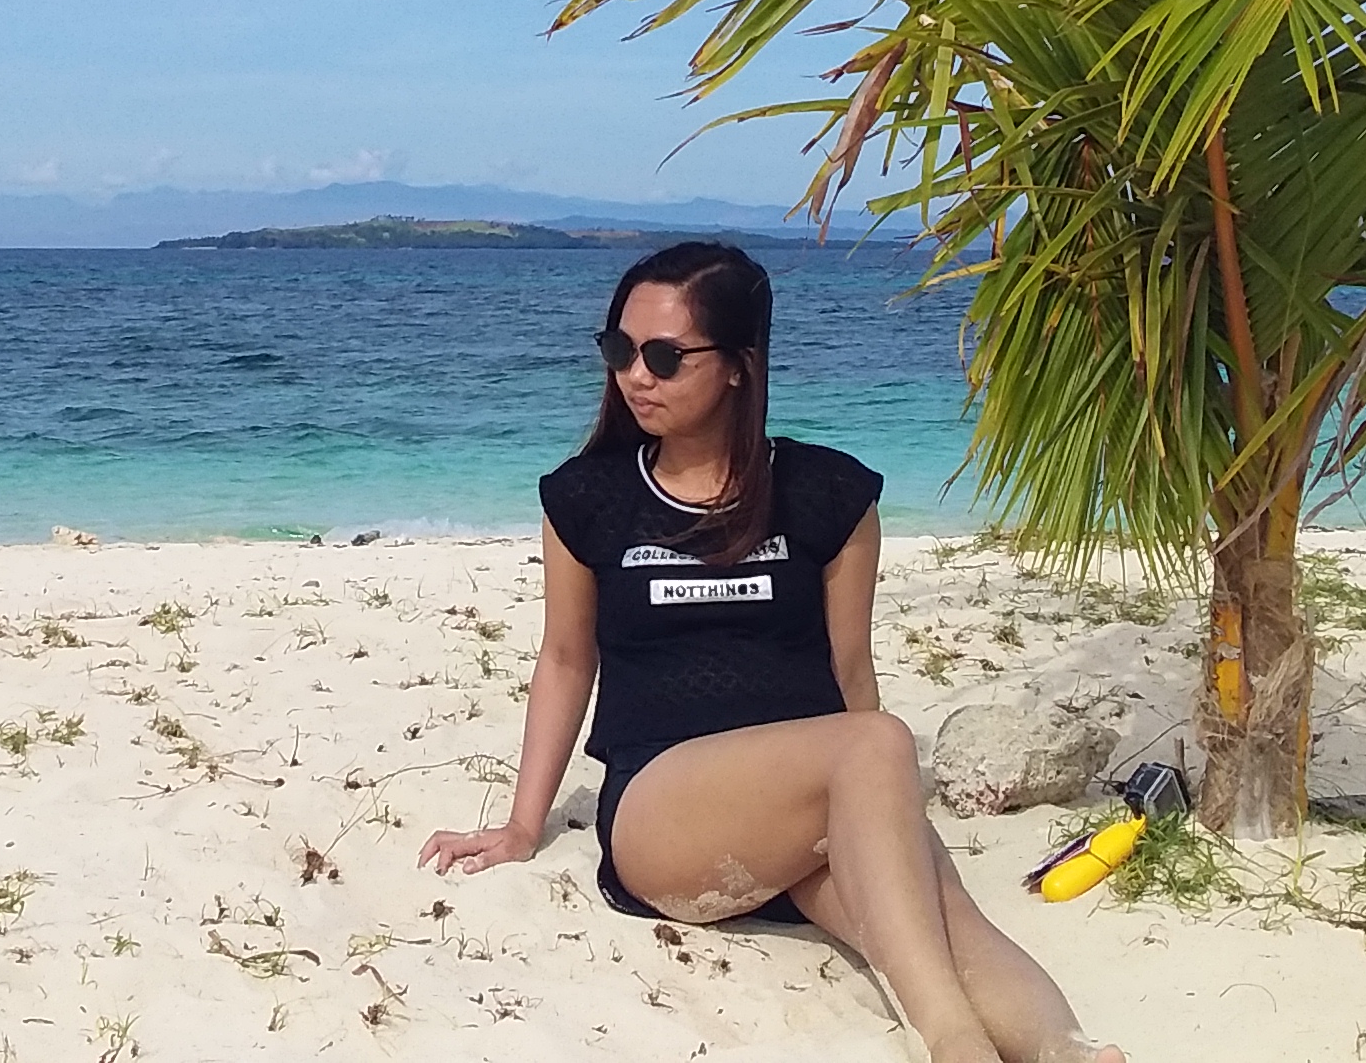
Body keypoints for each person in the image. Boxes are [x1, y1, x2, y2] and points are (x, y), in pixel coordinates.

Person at [418, 241, 1119, 1063]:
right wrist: (520, 825)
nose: (636, 375)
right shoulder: (589, 498)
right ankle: (953, 1045)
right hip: (667, 811)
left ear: (739, 366)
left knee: (943, 918)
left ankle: (1075, 1053)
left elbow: (850, 668)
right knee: (878, 747)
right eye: (620, 350)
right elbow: (567, 660)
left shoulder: (825, 494)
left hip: (816, 796)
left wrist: (882, 816)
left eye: (664, 357)